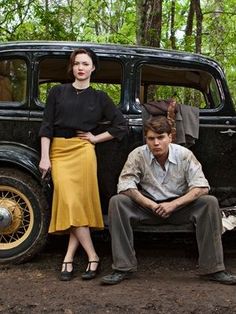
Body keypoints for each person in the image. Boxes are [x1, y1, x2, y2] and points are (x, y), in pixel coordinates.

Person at [101, 116, 236, 285]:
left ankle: (213, 269)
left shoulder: (184, 155)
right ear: (146, 140)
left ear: (170, 137)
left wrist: (173, 205)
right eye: (151, 138)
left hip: (179, 207)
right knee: (117, 201)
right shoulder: (137, 154)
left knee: (209, 202)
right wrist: (149, 204)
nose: (156, 143)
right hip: (148, 206)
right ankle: (122, 268)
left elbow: (201, 186)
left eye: (161, 137)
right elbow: (125, 184)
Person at [39, 48, 127, 281]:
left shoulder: (100, 97)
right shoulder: (57, 92)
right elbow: (46, 126)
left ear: (93, 68)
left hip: (83, 152)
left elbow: (121, 125)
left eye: (85, 64)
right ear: (72, 67)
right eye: (77, 63)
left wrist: (96, 138)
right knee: (69, 202)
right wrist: (44, 157)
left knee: (75, 205)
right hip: (59, 151)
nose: (80, 67)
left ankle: (68, 258)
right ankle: (93, 255)